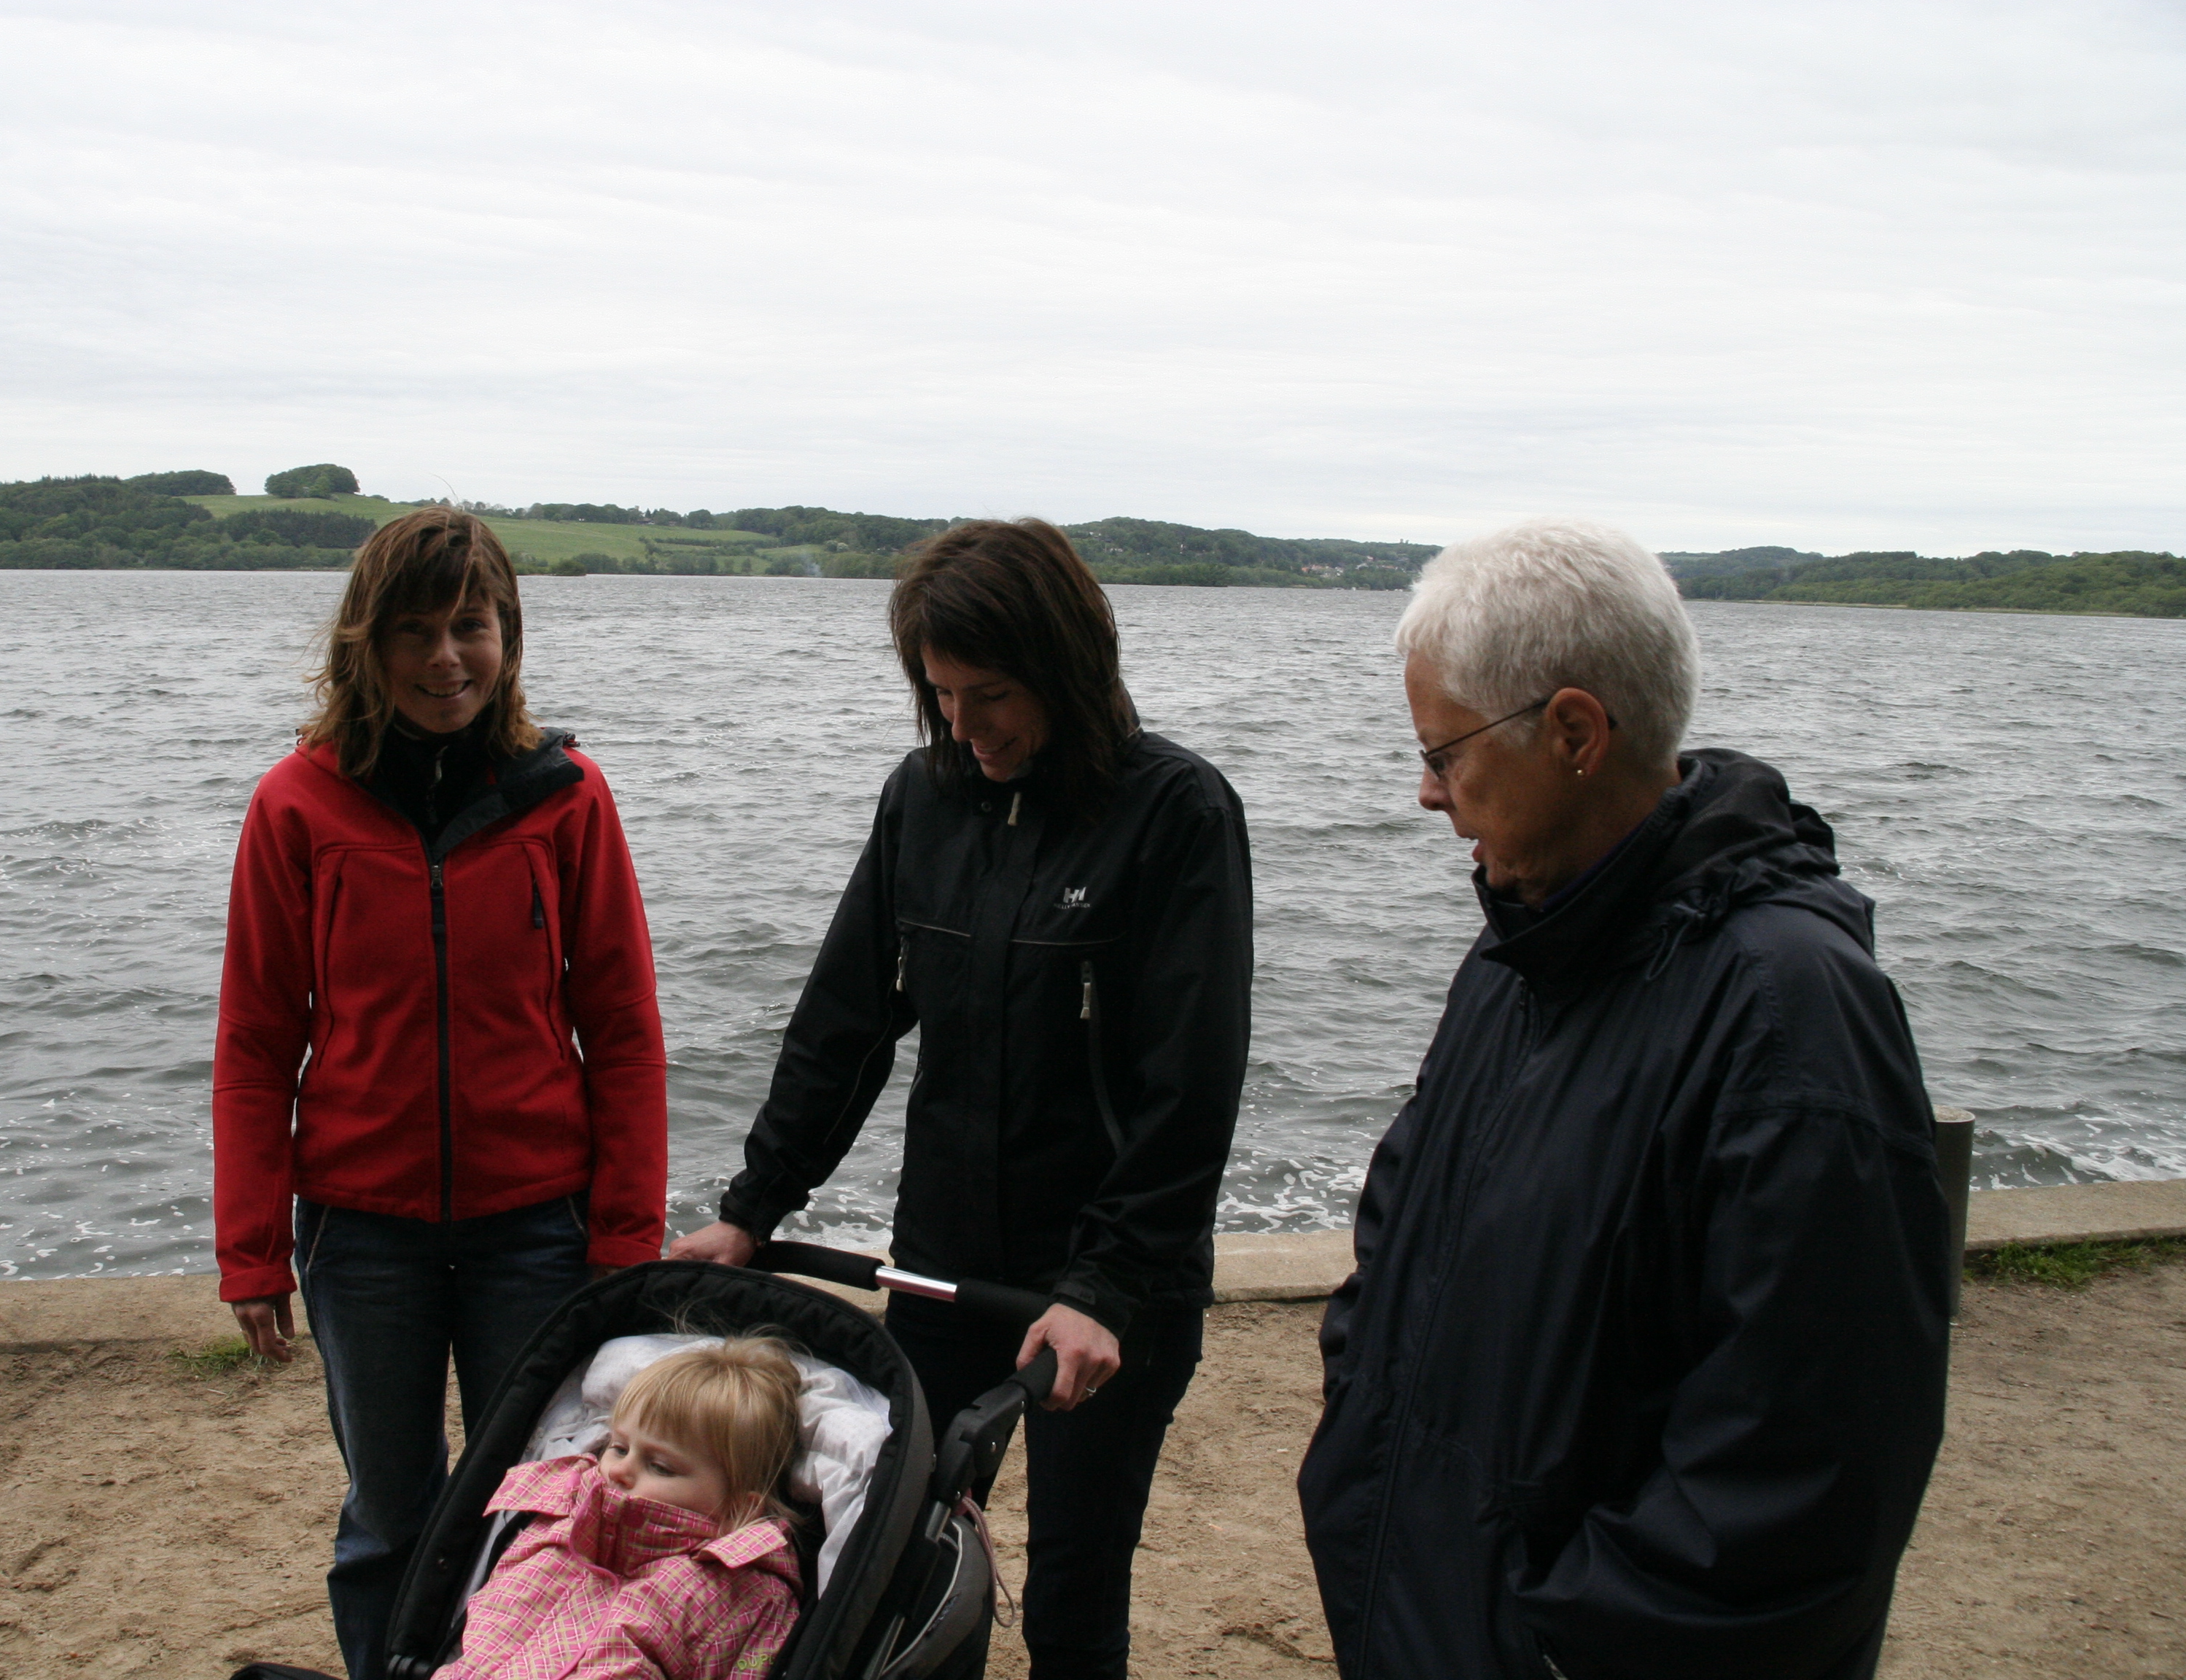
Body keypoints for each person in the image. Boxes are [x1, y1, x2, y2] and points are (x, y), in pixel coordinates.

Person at [1296, 517, 1951, 1679]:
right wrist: (1361, 1446)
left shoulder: (1786, 1012)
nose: (1426, 793)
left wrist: (1557, 1646)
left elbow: (1804, 1475)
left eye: (1444, 753)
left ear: (1575, 733)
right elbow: (1399, 1240)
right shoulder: (1522, 956)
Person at [670, 518, 1253, 1680]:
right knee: (900, 1562)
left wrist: (1105, 1286)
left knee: (1074, 1593)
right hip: (946, 1263)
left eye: (991, 696)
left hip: (1113, 1280)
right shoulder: (922, 798)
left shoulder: (1177, 812)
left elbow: (1189, 1091)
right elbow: (845, 1023)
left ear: (1068, 670)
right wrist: (753, 1206)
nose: (964, 727)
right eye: (940, 696)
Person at [212, 507, 668, 1677]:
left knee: (536, 1506)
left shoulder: (566, 795)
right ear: (364, 643)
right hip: (363, 1231)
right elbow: (257, 1043)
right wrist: (252, 1250)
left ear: (508, 634)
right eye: (413, 631)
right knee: (390, 1517)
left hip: (539, 1226)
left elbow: (623, 1030)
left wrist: (626, 1237)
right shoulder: (298, 804)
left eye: (471, 625)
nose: (444, 657)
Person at [436, 1337, 806, 1680]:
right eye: (619, 1448)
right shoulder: (556, 1522)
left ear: (738, 1506)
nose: (620, 1470)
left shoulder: (743, 1596)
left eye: (660, 1467)